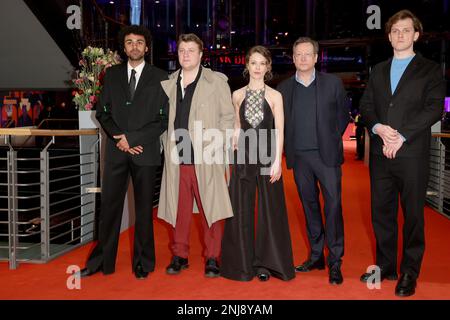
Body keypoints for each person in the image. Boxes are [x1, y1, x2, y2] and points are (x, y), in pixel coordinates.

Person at [359, 10, 445, 297]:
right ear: (389, 35)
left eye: (406, 30)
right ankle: (385, 266)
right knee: (381, 214)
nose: (400, 35)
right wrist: (379, 127)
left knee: (413, 216)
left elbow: (433, 107)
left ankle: (409, 271)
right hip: (381, 155)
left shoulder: (430, 69)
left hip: (412, 154)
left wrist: (403, 135)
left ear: (416, 35)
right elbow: (367, 105)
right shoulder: (378, 69)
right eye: (395, 30)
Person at [79, 25, 168, 279]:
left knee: (143, 211)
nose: (135, 46)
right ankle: (100, 263)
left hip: (146, 152)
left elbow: (163, 119)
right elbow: (102, 113)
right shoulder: (111, 74)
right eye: (129, 42)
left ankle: (143, 263)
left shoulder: (161, 77)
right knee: (109, 208)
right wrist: (121, 139)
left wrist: (133, 139)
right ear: (124, 47)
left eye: (139, 42)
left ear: (147, 47)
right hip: (117, 152)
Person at [157, 33, 235, 278]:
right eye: (182, 50)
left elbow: (228, 117)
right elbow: (162, 120)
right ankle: (180, 255)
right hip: (176, 157)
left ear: (201, 54)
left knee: (210, 209)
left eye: (191, 50)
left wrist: (217, 145)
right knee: (178, 210)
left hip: (206, 156)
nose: (186, 54)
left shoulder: (216, 81)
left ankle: (213, 257)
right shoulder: (169, 82)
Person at [277, 37, 350, 285]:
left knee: (333, 207)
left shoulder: (333, 84)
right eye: (298, 55)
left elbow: (342, 117)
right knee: (309, 208)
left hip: (326, 157)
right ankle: (317, 255)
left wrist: (329, 140)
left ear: (317, 58)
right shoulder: (284, 88)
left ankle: (335, 261)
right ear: (294, 58)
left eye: (308, 54)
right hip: (300, 158)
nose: (303, 59)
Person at [220, 46, 295, 282]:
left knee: (269, 209)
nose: (258, 68)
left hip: (267, 154)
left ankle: (267, 263)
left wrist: (276, 162)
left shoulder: (275, 96)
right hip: (242, 155)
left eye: (262, 63)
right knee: (240, 208)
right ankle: (241, 263)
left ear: (268, 67)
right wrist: (232, 137)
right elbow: (237, 125)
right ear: (247, 65)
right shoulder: (237, 95)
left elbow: (280, 131)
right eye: (253, 63)